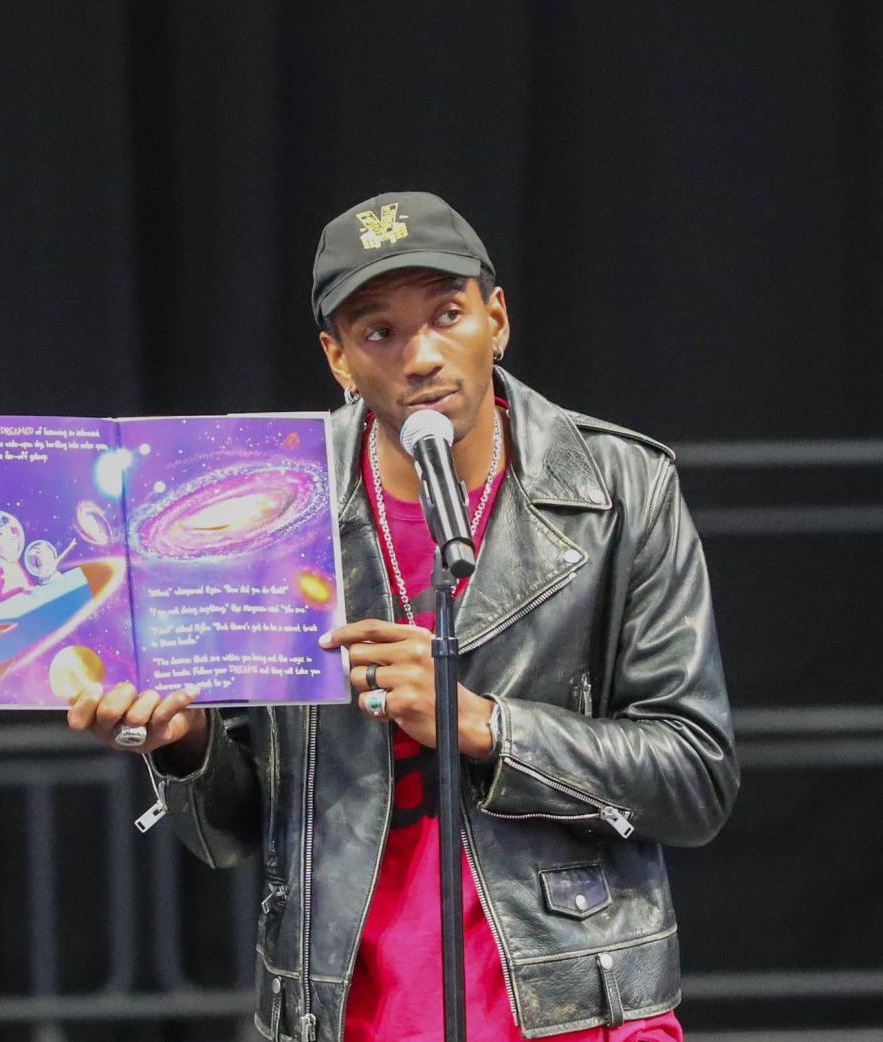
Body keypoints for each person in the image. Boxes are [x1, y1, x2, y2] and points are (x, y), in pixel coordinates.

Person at [68, 191, 739, 1041]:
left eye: (448, 314)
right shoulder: (268, 502)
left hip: (577, 1007)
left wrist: (484, 724)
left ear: (497, 319)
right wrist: (184, 742)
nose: (421, 354)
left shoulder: (619, 489)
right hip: (345, 1010)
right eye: (379, 331)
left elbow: (695, 778)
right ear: (338, 358)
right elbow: (232, 835)